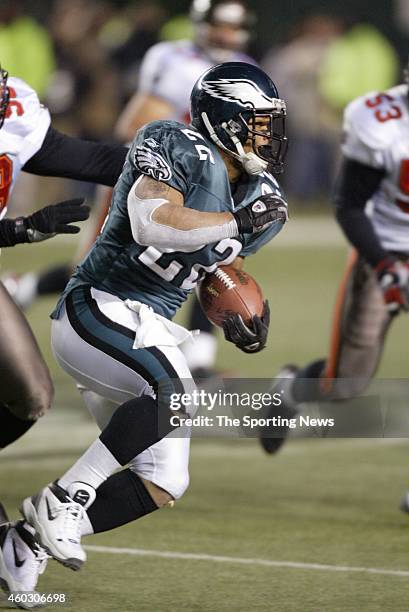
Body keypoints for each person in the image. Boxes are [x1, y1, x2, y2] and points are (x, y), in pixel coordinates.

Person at [0, 61, 288, 602]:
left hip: (149, 324)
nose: (270, 137)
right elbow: (152, 222)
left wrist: (237, 309)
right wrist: (236, 223)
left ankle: (23, 545)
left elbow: (212, 268)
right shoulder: (172, 142)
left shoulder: (263, 198)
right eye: (260, 123)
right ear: (226, 120)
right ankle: (65, 498)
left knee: (163, 481)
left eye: (273, 124)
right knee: (176, 394)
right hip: (100, 307)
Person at [14, 0, 257, 380]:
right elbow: (137, 124)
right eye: (219, 26)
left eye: (234, 27)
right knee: (104, 268)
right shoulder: (174, 59)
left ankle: (198, 359)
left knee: (210, 257)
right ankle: (28, 290)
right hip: (151, 179)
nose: (226, 35)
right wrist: (187, 159)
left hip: (201, 185)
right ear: (200, 24)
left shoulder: (247, 70)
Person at [259, 61, 409, 455]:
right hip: (385, 249)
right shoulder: (382, 123)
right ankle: (289, 392)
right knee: (344, 384)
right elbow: (349, 205)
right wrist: (384, 267)